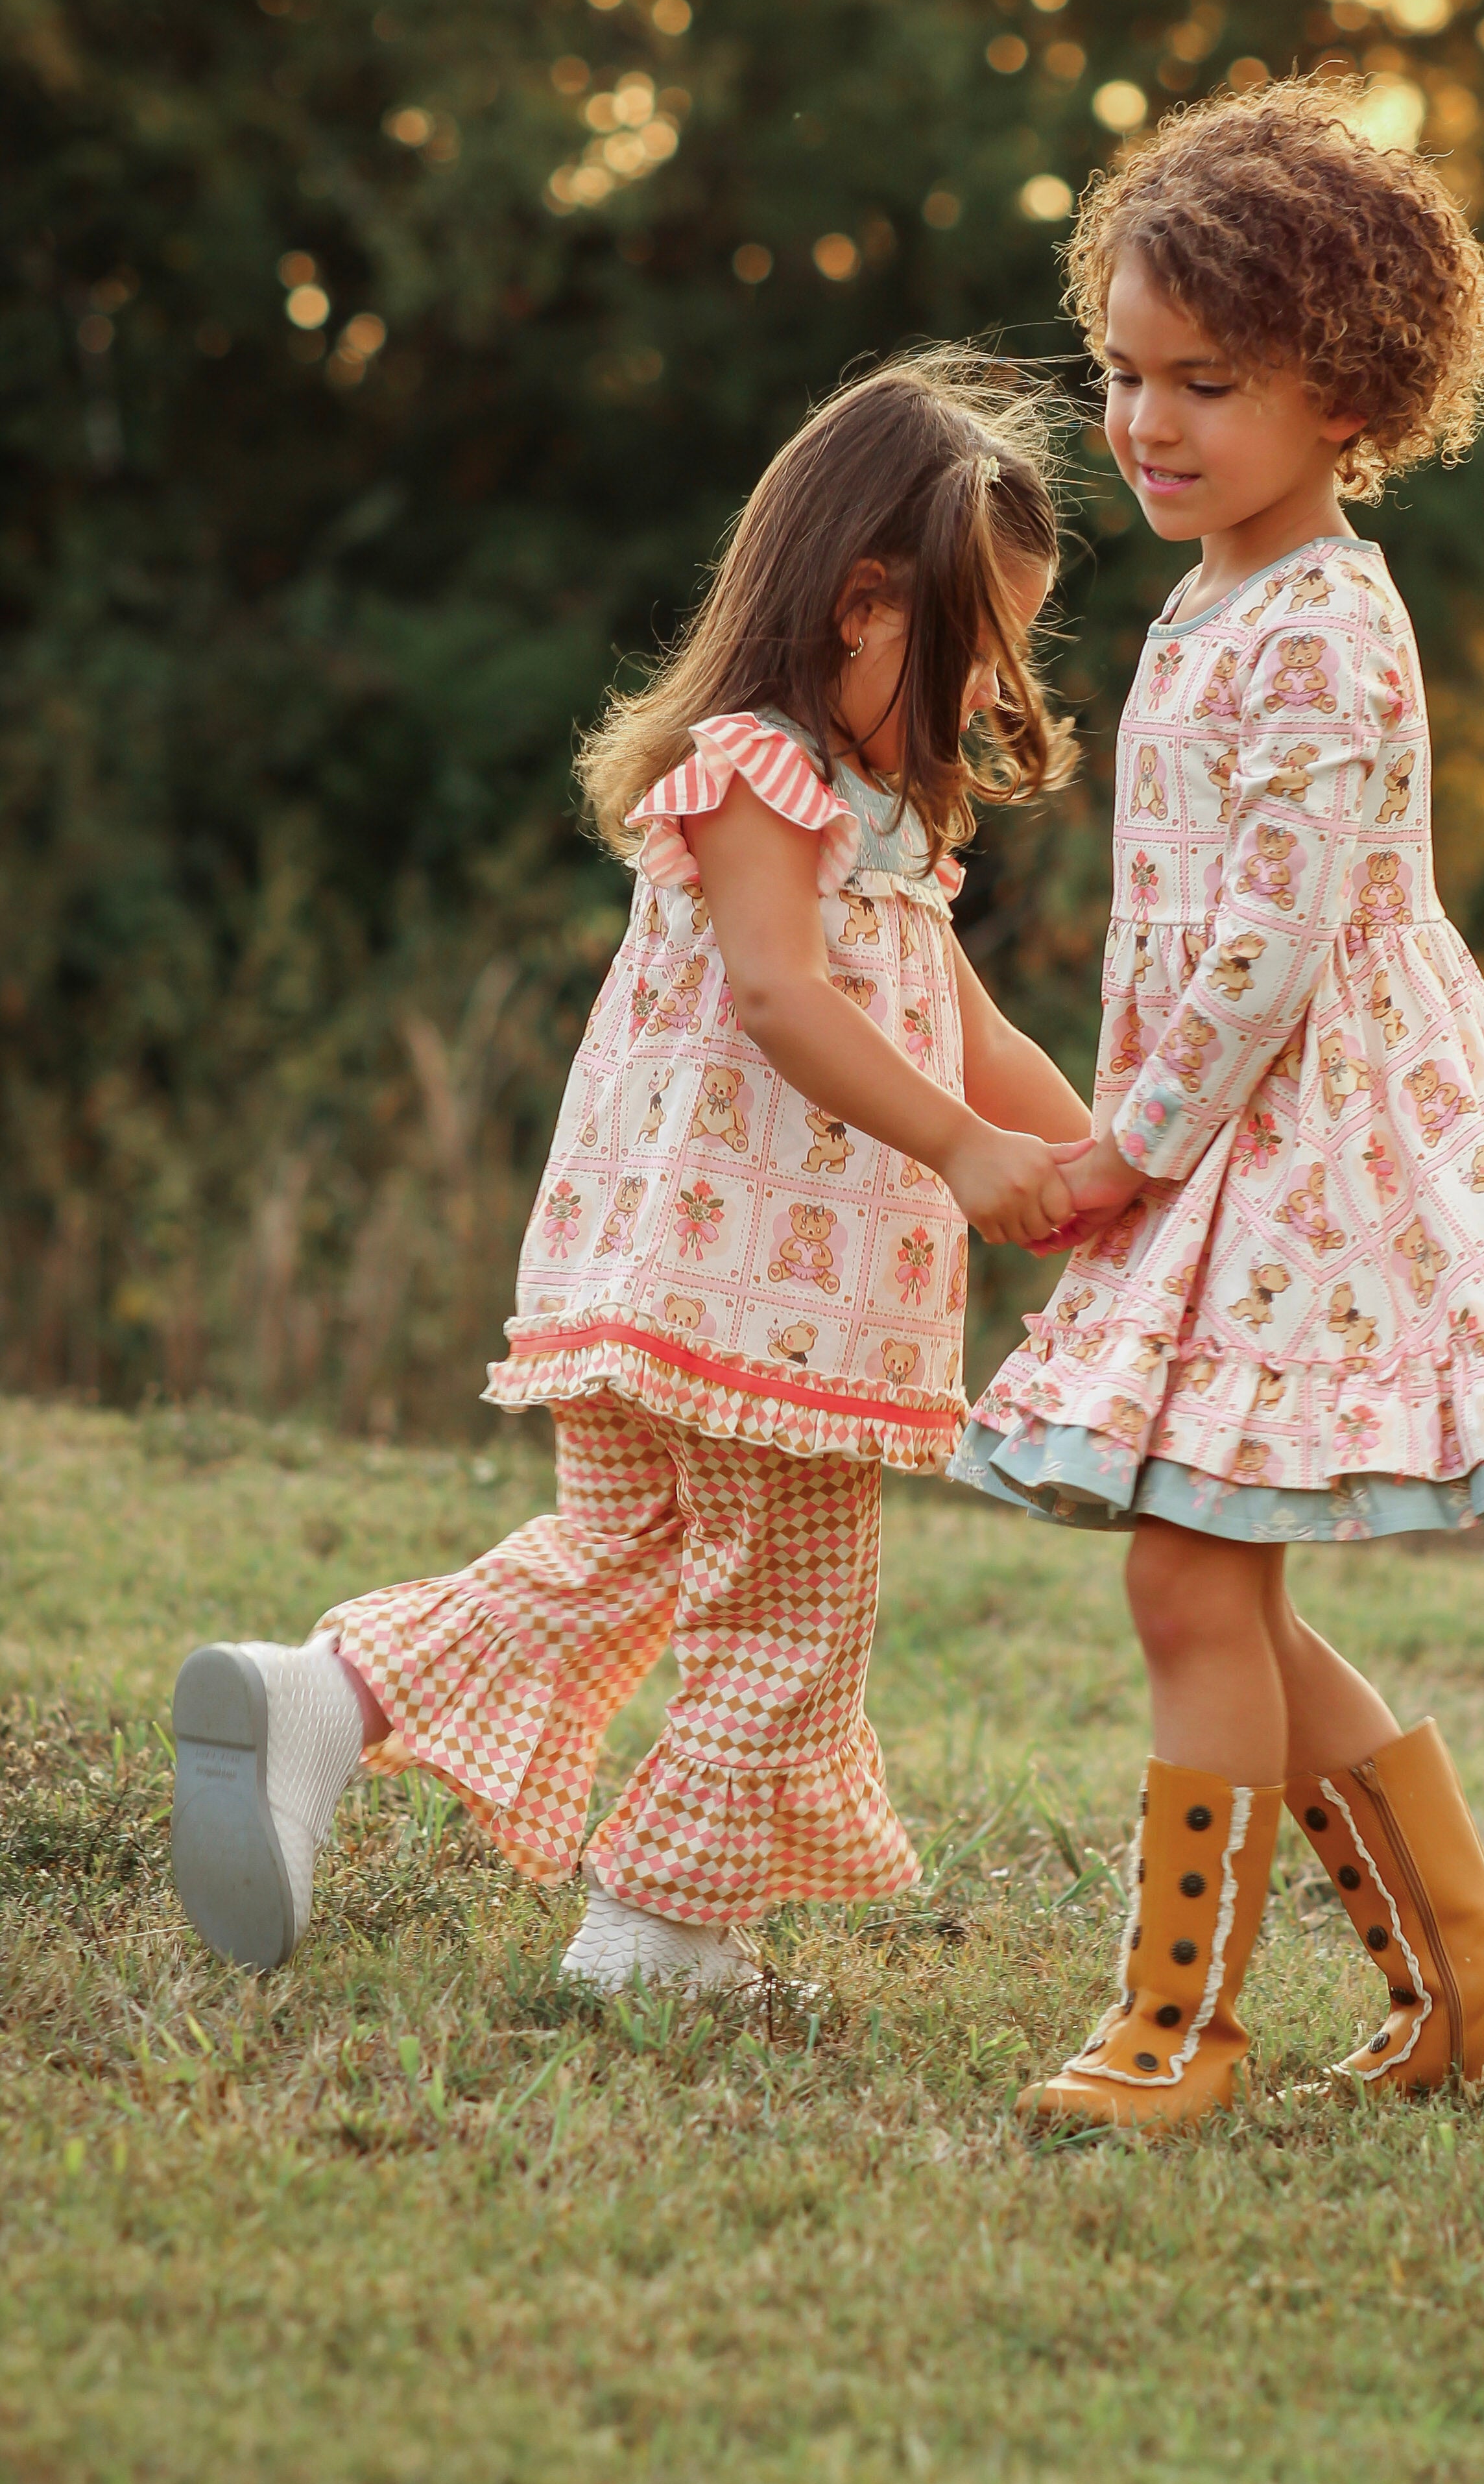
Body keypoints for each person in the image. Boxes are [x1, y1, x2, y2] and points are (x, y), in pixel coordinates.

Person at [171, 353, 1092, 1988]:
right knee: (792, 1610)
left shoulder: (890, 823)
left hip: (709, 1293)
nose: (982, 696)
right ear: (862, 604)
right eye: (975, 652)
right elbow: (775, 994)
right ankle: (664, 1929)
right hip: (748, 1294)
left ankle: (319, 1703)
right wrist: (957, 1153)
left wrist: (1101, 1167)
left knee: (624, 1562)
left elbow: (978, 1039)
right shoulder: (760, 773)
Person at [952, 83, 1484, 2128]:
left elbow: (1268, 955)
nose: (1150, 422)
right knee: (1215, 1582)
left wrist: (1130, 1145)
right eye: (1124, 372)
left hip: (1297, 1144)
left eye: (1212, 380)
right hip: (1230, 1138)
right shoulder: (1213, 604)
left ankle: (1182, 2024)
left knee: (1190, 1577)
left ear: (1349, 393)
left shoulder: (1325, 630)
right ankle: (1474, 1986)